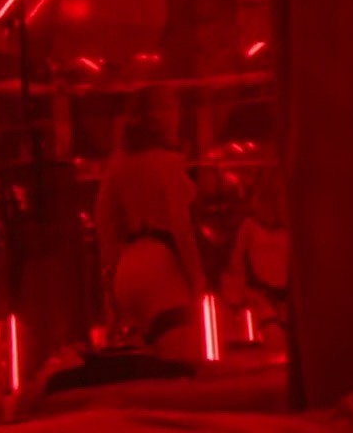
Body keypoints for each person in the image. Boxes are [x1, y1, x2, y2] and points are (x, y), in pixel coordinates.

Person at [94, 86, 206, 361]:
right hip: (162, 268)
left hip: (128, 268)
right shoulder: (168, 163)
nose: (176, 115)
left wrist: (110, 286)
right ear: (157, 117)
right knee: (182, 365)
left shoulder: (118, 164)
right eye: (170, 108)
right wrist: (197, 279)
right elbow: (181, 227)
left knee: (146, 366)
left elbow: (103, 222)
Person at [220, 174, 289, 349]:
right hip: (262, 295)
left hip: (288, 297)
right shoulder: (249, 226)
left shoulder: (290, 227)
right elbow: (235, 265)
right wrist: (237, 299)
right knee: (277, 343)